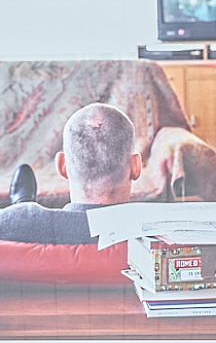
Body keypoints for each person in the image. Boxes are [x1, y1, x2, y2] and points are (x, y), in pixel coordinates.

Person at [0, 103, 143, 243]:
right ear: (136, 167)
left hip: (24, 224)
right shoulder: (160, 236)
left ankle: (22, 202)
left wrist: (22, 213)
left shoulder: (10, 222)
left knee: (24, 221)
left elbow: (15, 221)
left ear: (62, 166)